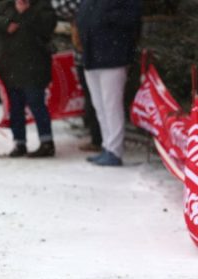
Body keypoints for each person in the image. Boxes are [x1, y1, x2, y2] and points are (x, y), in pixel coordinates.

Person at [0, 0, 58, 158]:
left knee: (36, 103)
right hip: (10, 67)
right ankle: (19, 142)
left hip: (34, 66)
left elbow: (48, 27)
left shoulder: (41, 6)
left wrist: (26, 13)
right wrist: (5, 24)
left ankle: (46, 142)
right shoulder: (5, 6)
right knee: (15, 108)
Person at [76, 0, 142, 167]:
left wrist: (106, 17)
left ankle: (114, 150)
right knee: (100, 106)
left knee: (111, 106)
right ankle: (107, 146)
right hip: (91, 58)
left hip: (113, 56)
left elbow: (132, 17)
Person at [51, 0, 102, 152]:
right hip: (85, 55)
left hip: (98, 54)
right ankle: (98, 138)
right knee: (94, 99)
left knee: (100, 101)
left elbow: (61, 7)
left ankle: (101, 140)